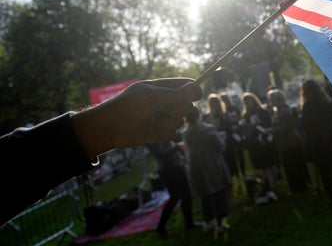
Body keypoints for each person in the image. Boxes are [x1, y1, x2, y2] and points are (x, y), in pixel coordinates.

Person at [1, 78, 202, 226]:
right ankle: (167, 226)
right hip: (169, 167)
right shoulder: (156, 133)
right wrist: (102, 127)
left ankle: (183, 224)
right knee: (178, 196)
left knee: (179, 196)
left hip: (169, 165)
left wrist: (101, 128)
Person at [300, 79, 332, 202]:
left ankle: (331, 196)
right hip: (330, 137)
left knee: (323, 170)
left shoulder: (308, 106)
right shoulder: (325, 102)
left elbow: (305, 125)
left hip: (317, 141)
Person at [182, 107, 232, 235]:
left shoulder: (186, 132)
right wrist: (222, 138)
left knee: (204, 194)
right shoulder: (208, 129)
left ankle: (209, 221)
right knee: (218, 193)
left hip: (196, 166)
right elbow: (220, 147)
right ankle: (220, 223)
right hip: (211, 163)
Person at [147, 140, 195, 238]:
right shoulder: (152, 138)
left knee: (186, 195)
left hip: (176, 166)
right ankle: (160, 227)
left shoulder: (162, 132)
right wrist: (177, 147)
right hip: (168, 170)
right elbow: (160, 156)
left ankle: (190, 223)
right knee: (175, 197)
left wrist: (179, 153)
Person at [266, 88, 309, 196]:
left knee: (294, 166)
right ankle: (295, 188)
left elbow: (288, 127)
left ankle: (299, 188)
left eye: (271, 99)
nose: (270, 101)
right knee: (289, 166)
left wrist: (272, 130)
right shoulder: (277, 110)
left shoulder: (284, 111)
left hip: (290, 143)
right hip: (284, 144)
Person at [240, 91, 279, 200]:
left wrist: (259, 123)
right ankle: (267, 185)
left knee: (270, 164)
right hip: (254, 144)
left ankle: (273, 185)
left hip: (265, 140)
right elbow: (245, 132)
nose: (248, 103)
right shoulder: (245, 115)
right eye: (245, 102)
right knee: (262, 166)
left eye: (249, 100)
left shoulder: (262, 111)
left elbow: (268, 124)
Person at [207, 93, 241, 198]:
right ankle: (229, 189)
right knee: (224, 166)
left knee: (233, 164)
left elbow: (230, 126)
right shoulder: (209, 117)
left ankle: (238, 184)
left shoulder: (225, 113)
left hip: (229, 142)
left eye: (216, 102)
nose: (215, 105)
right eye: (213, 103)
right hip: (219, 144)